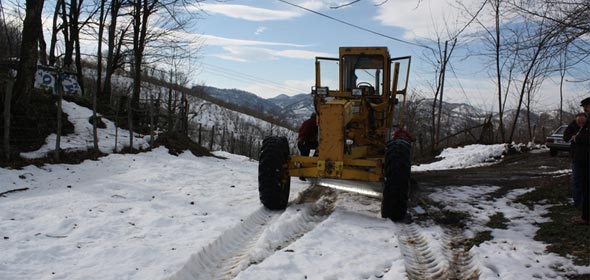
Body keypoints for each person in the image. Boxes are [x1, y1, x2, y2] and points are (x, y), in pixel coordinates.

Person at [570, 98, 590, 225]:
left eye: (586, 106)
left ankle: (586, 217)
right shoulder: (583, 121)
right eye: (584, 107)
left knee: (586, 187)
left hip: (586, 159)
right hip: (582, 158)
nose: (585, 109)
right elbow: (567, 135)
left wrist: (577, 138)